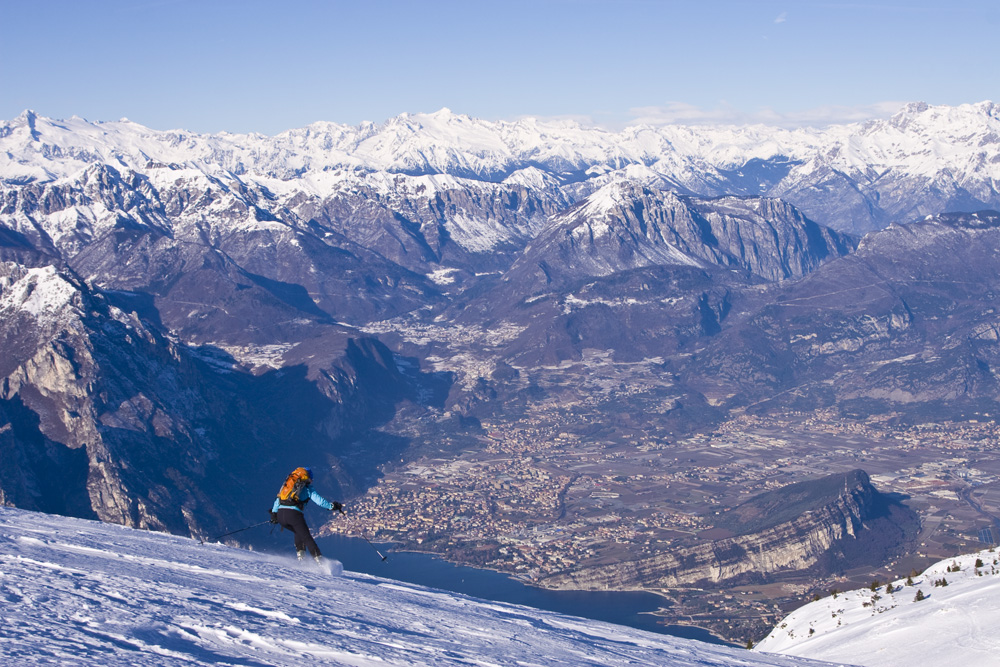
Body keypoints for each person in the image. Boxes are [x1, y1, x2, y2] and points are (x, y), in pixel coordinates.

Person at [270, 467, 343, 563]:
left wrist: (274, 515)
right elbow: (320, 502)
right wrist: (332, 506)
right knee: (307, 537)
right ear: (308, 478)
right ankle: (320, 562)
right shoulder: (308, 489)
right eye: (311, 479)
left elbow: (277, 501)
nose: (312, 481)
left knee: (299, 532)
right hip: (293, 515)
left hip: (280, 515)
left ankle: (301, 558)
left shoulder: (287, 487)